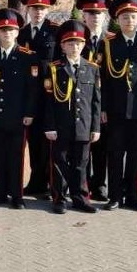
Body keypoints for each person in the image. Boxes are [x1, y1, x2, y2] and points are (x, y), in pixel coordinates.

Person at [98, 0, 137, 212]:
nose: (129, 20)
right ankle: (115, 197)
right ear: (117, 19)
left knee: (135, 154)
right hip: (115, 108)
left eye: (133, 16)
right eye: (124, 17)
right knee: (115, 153)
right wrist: (103, 107)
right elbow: (103, 79)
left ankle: (133, 196)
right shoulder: (108, 44)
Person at [0, 8, 38, 209]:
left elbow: (32, 89)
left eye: (11, 30)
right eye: (2, 30)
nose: (7, 33)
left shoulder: (27, 56)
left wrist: (29, 113)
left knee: (16, 157)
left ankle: (17, 196)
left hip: (18, 116)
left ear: (17, 32)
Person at [42, 20, 101, 215]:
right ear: (62, 46)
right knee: (59, 164)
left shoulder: (92, 68)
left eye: (78, 43)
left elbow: (96, 102)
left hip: (83, 125)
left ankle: (80, 198)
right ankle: (59, 198)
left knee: (81, 164)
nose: (74, 47)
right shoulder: (54, 68)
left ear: (83, 45)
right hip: (61, 126)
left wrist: (95, 128)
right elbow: (48, 101)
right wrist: (50, 126)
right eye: (69, 43)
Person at [17, 0, 60, 197]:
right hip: (29, 96)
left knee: (50, 142)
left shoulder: (56, 31)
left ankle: (52, 183)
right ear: (28, 9)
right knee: (33, 140)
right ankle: (36, 182)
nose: (38, 12)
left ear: (48, 10)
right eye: (34, 8)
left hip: (51, 96)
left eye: (42, 8)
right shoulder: (21, 33)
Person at [76, 0, 113, 202]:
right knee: (82, 147)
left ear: (105, 15)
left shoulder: (111, 41)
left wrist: (105, 106)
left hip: (104, 104)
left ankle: (99, 185)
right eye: (91, 13)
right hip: (81, 102)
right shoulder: (76, 40)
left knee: (102, 148)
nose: (95, 16)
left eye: (99, 13)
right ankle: (82, 185)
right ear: (84, 16)